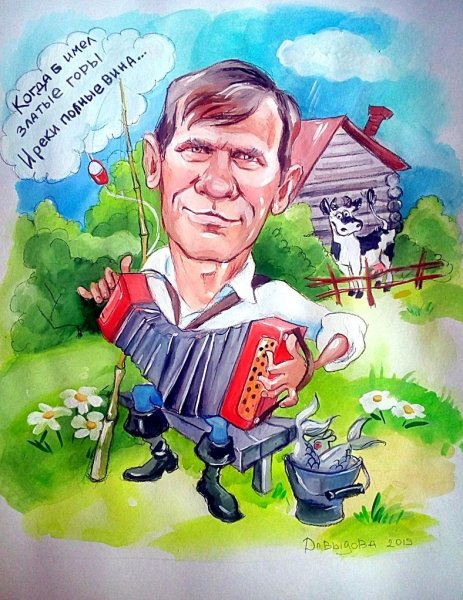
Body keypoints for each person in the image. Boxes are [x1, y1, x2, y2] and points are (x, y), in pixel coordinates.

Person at [78, 59, 367, 523]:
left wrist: (308, 366)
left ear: (283, 189)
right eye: (196, 148)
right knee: (144, 402)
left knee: (219, 431)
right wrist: (111, 302)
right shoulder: (150, 278)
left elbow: (344, 326)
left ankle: (212, 481)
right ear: (154, 164)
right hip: (168, 399)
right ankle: (161, 454)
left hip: (221, 415)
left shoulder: (270, 300)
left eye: (247, 157)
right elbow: (127, 322)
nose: (215, 184)